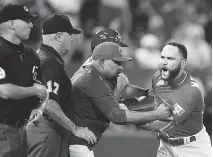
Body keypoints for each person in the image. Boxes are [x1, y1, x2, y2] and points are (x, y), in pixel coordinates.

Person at [68, 42, 173, 157]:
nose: (121, 66)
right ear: (102, 62)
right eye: (117, 62)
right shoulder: (91, 80)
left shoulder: (100, 74)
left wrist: (146, 93)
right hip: (73, 143)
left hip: (78, 141)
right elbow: (117, 115)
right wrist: (157, 114)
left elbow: (124, 91)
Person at [26, 13, 97, 157]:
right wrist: (74, 128)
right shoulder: (51, 62)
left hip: (37, 127)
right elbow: (49, 103)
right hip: (47, 131)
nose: (72, 38)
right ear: (58, 36)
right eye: (69, 34)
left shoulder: (39, 57)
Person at [138, 42, 212, 157]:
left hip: (191, 148)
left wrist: (130, 116)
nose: (164, 62)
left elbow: (164, 125)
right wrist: (131, 103)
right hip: (165, 146)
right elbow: (152, 97)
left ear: (182, 64)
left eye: (171, 59)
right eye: (162, 57)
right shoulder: (158, 76)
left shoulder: (191, 90)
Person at [0, 4, 48, 157]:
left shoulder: (31, 55)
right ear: (12, 24)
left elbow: (43, 91)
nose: (31, 25)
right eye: (27, 20)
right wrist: (34, 91)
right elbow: (4, 91)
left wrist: (39, 108)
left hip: (22, 129)